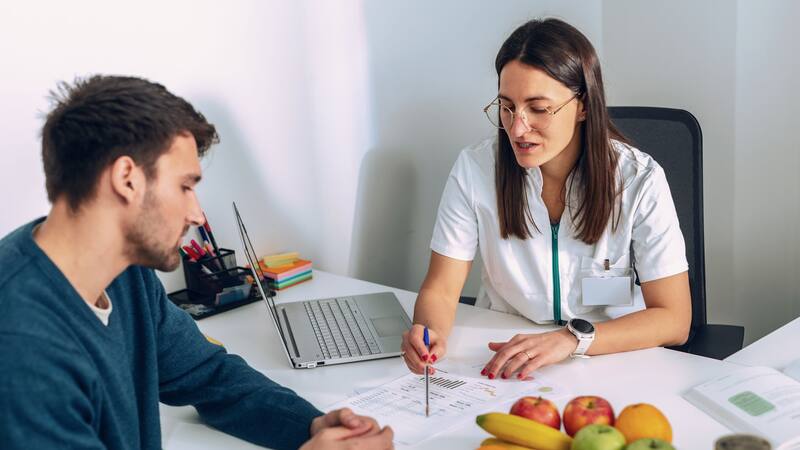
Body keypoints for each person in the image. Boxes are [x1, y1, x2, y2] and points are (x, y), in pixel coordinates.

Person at [0, 75, 393, 450]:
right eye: (185, 186)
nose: (197, 214)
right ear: (126, 178)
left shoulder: (125, 272)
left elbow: (208, 374)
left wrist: (309, 426)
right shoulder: (22, 343)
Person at [401, 18, 692, 382]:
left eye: (538, 109)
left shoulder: (638, 179)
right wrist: (429, 334)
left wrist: (572, 339)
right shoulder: (475, 169)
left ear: (583, 105)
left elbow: (674, 319)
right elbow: (441, 290)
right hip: (504, 350)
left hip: (612, 356)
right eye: (507, 107)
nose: (517, 128)